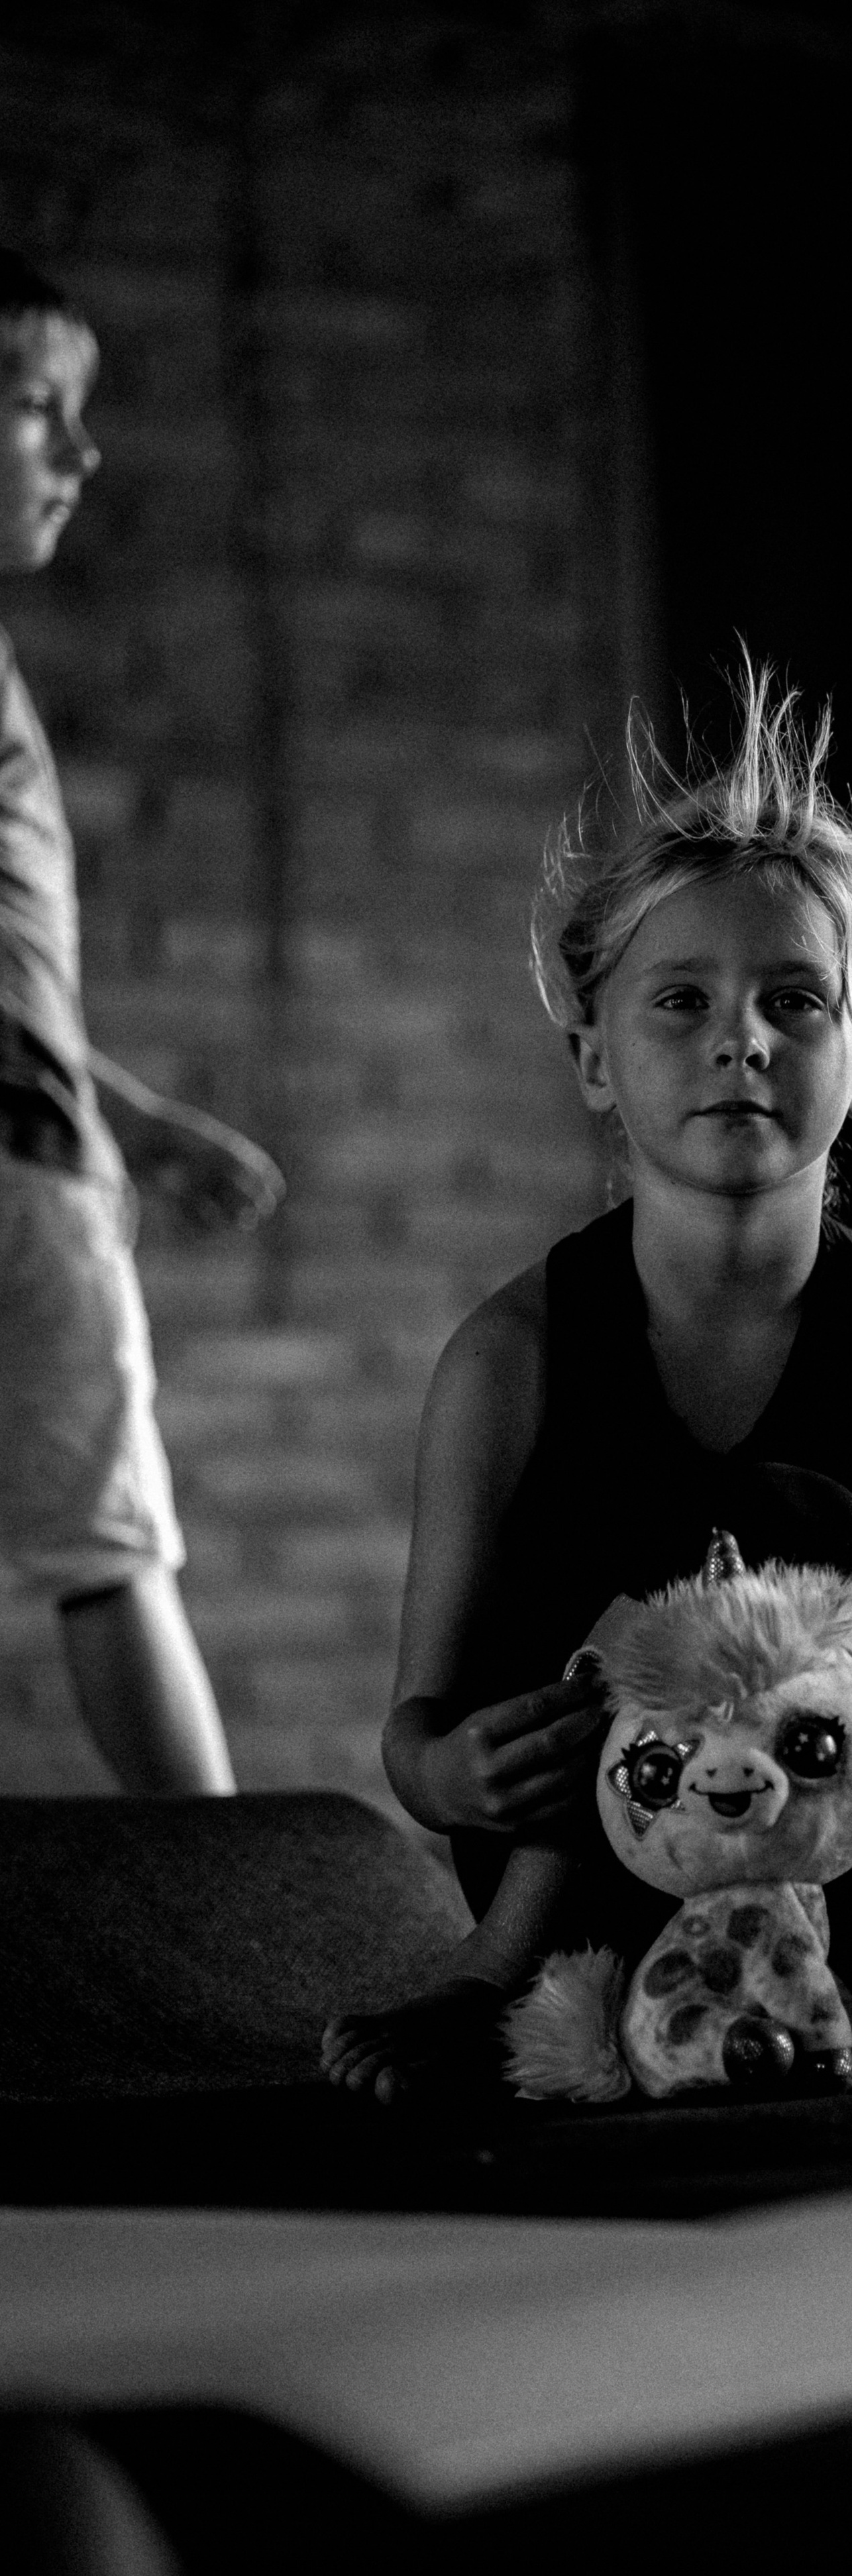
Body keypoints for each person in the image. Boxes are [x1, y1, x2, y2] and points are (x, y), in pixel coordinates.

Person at [323, 661, 852, 2100]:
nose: (739, 1038)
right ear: (590, 1056)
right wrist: (459, 1780)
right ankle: (496, 1989)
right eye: (680, 1000)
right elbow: (418, 1730)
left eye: (794, 1002)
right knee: (695, 1570)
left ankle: (784, 2006)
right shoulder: (509, 1357)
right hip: (585, 1862)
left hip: (835, 1834)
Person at [1, 249, 282, 1795]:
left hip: (43, 1139)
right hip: (20, 1183)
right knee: (111, 1554)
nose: (80, 453)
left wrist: (134, 1115)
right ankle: (237, 1911)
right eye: (38, 406)